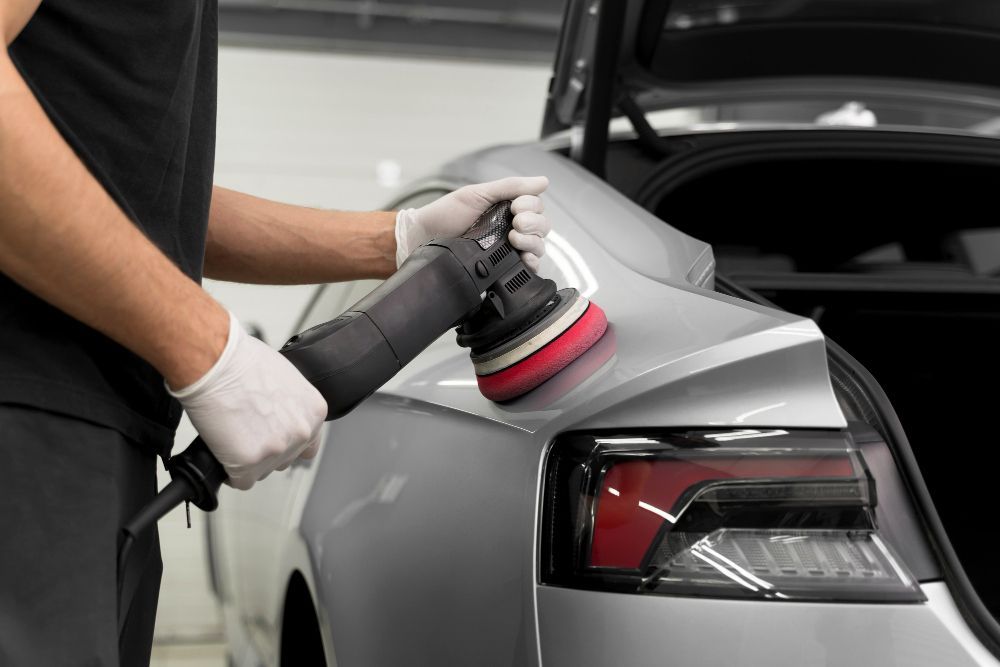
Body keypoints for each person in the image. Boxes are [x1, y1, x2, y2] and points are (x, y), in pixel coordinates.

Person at [0, 1, 550, 664]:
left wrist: (400, 237)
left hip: (84, 431)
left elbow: (149, 201)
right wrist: (206, 347)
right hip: (31, 423)